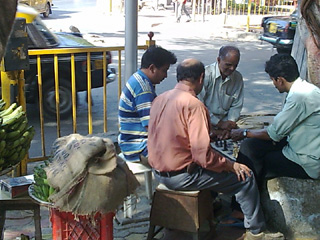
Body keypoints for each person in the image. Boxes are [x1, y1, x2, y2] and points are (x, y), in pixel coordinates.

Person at [148, 58, 283, 240]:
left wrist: (209, 137)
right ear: (201, 78)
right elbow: (202, 156)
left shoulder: (160, 99)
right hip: (181, 177)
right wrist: (231, 166)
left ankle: (210, 205)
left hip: (158, 171)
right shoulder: (194, 105)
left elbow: (171, 135)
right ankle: (257, 232)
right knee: (245, 178)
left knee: (217, 161)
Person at [231, 53, 320, 188]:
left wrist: (244, 133)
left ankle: (241, 206)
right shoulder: (307, 89)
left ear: (280, 80)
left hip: (305, 161)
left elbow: (272, 134)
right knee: (250, 146)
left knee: (252, 161)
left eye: (273, 80)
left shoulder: (299, 98)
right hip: (300, 145)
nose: (274, 84)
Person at [118, 45, 177, 163]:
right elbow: (151, 126)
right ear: (152, 68)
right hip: (138, 147)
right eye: (164, 70)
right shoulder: (143, 89)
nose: (165, 76)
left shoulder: (138, 78)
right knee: (185, 156)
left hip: (132, 142)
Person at [198, 45, 244, 139]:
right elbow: (199, 106)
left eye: (235, 65)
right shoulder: (206, 75)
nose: (232, 69)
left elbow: (236, 105)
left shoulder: (237, 77)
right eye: (228, 65)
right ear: (218, 60)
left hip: (226, 123)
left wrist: (230, 124)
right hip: (205, 121)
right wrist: (219, 123)